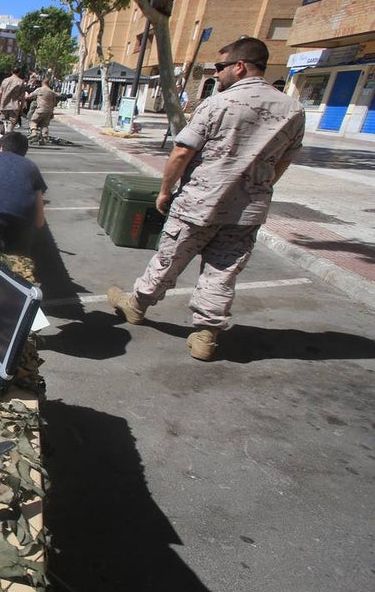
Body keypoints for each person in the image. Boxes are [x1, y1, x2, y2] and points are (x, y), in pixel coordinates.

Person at [106, 37, 305, 361]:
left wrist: (165, 190)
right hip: (247, 211)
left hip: (200, 203)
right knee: (222, 273)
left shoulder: (218, 103)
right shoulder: (293, 110)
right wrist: (256, 189)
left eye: (220, 66)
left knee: (169, 260)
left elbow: (182, 152)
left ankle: (137, 305)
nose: (216, 73)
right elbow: (283, 161)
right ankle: (205, 336)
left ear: (239, 66)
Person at [25, 78, 59, 145]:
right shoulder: (51, 92)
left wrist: (26, 95)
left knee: (33, 121)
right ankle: (44, 138)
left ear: (42, 83)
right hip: (49, 110)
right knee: (44, 125)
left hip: (40, 109)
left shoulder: (40, 89)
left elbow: (29, 96)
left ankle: (34, 132)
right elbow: (55, 103)